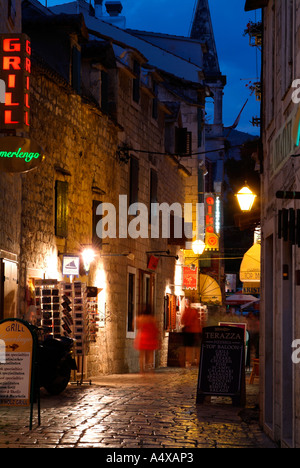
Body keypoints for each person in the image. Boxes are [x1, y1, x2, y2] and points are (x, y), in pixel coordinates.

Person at [134, 306, 160, 374]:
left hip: (142, 337)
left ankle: (142, 370)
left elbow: (135, 326)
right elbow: (157, 328)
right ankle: (151, 369)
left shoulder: (139, 318)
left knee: (141, 355)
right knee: (150, 355)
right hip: (151, 337)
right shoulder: (153, 319)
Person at [181, 299, 202, 367]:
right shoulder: (196, 311)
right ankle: (198, 361)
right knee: (197, 347)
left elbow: (182, 320)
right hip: (197, 331)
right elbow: (200, 322)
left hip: (188, 331)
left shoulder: (187, 311)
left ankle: (189, 361)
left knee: (189, 347)